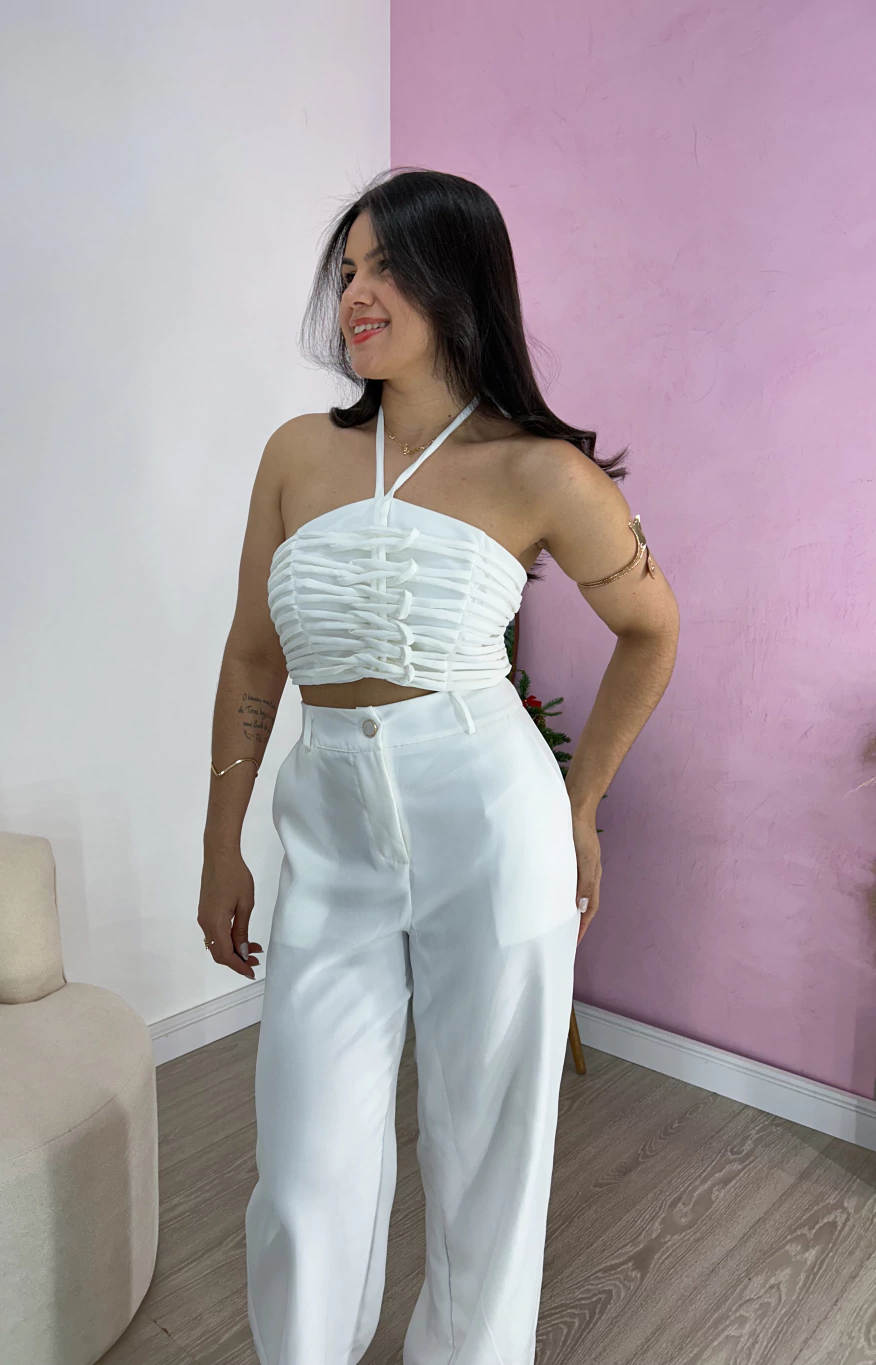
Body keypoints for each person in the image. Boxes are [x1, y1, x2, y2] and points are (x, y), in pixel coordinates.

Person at [197, 167, 679, 1365]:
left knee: (486, 1153)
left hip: (491, 825)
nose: (354, 294)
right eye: (346, 270)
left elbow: (652, 630)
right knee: (303, 1163)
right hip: (328, 831)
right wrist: (220, 843)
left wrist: (580, 805)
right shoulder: (296, 455)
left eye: (385, 266)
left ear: (457, 280)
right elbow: (254, 657)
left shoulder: (540, 471)